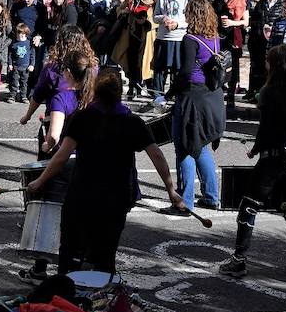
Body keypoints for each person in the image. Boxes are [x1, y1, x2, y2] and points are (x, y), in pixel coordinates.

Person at [26, 69, 184, 274]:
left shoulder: (82, 118)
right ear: (120, 93)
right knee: (105, 256)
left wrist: (40, 181)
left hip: (83, 194)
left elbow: (61, 156)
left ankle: (68, 297)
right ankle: (101, 299)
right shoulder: (132, 122)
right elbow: (157, 156)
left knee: (70, 251)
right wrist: (171, 190)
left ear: (96, 91)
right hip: (117, 197)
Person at [219, 45, 286, 279]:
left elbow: (266, 129)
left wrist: (255, 149)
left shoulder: (268, 92)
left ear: (276, 65)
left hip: (274, 158)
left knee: (249, 204)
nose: (266, 64)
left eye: (269, 61)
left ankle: (239, 260)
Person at [160, 0, 225, 214]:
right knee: (201, 145)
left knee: (184, 146)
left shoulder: (189, 39)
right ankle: (211, 196)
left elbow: (185, 72)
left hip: (191, 98)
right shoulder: (214, 37)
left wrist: (168, 94)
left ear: (192, 15)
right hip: (211, 96)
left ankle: (185, 202)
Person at [112, 0, 157, 99]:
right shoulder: (130, 0)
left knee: (143, 62)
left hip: (145, 36)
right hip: (131, 35)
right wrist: (124, 11)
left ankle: (148, 89)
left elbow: (157, 19)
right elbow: (118, 10)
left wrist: (148, 22)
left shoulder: (152, 1)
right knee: (131, 61)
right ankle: (133, 87)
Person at [214, 0, 249, 108]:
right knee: (218, 65)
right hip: (219, 36)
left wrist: (231, 22)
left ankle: (231, 96)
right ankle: (217, 93)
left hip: (234, 36)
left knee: (233, 66)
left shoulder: (241, 1)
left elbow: (245, 22)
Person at [151, 0, 190, 94]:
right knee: (159, 69)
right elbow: (155, 17)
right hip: (163, 37)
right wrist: (163, 18)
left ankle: (176, 95)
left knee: (177, 69)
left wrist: (177, 24)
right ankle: (158, 95)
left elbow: (190, 20)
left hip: (178, 38)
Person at [8, 24, 35, 104]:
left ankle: (23, 96)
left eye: (23, 35)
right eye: (19, 34)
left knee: (24, 83)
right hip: (16, 66)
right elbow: (10, 55)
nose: (20, 36)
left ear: (26, 34)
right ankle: (12, 96)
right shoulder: (14, 44)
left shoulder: (29, 44)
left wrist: (32, 65)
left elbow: (32, 55)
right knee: (14, 82)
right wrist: (10, 64)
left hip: (26, 67)